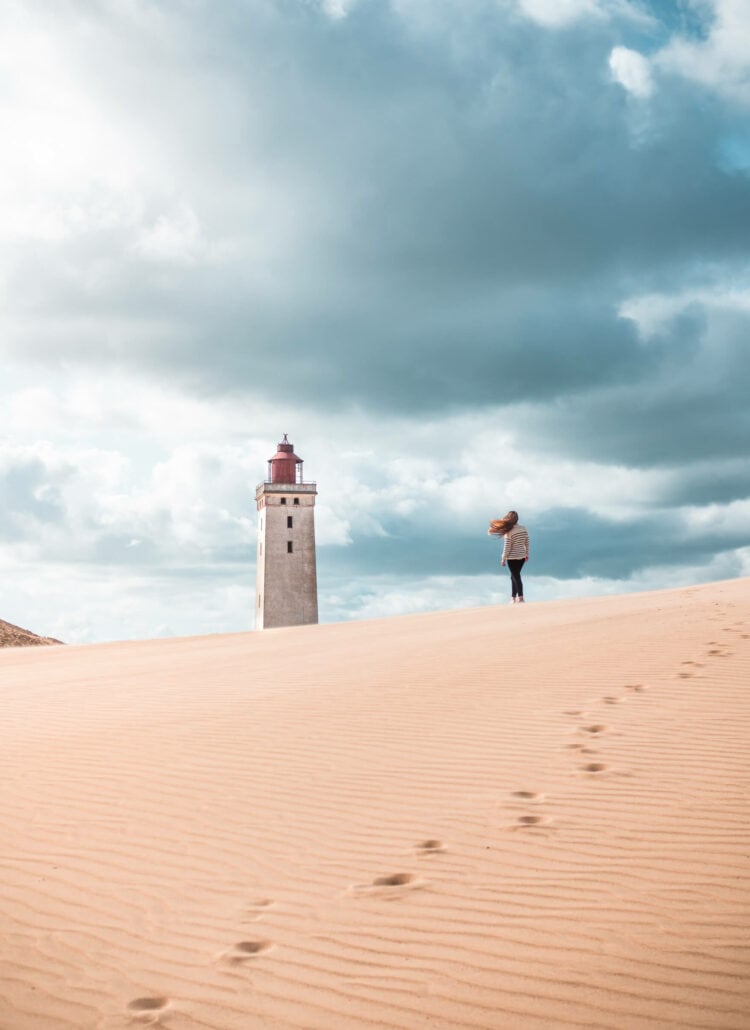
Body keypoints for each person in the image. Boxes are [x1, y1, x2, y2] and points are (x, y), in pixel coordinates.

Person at [488, 510, 529, 604]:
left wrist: (503, 558)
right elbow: (527, 542)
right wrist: (527, 553)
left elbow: (507, 547)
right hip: (522, 556)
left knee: (516, 576)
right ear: (517, 519)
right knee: (513, 576)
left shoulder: (509, 532)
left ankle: (521, 598)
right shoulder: (524, 528)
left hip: (512, 557)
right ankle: (513, 597)